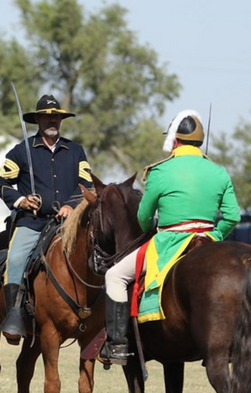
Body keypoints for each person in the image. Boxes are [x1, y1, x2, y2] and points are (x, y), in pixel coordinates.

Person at [101, 110, 240, 365]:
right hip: (208, 241)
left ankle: (118, 344)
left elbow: (144, 217)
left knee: (114, 276)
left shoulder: (159, 171)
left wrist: (153, 226)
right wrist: (214, 234)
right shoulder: (219, 172)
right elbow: (232, 216)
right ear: (199, 142)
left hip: (168, 241)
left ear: (175, 141)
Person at [0, 94, 93, 342]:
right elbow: (0, 182)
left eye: (56, 117)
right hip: (33, 222)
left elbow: (86, 183)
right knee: (15, 258)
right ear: (37, 119)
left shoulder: (76, 151)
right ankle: (14, 316)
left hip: (68, 224)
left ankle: (104, 322)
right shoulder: (20, 151)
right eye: (47, 117)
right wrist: (21, 200)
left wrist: (72, 206)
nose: (52, 121)